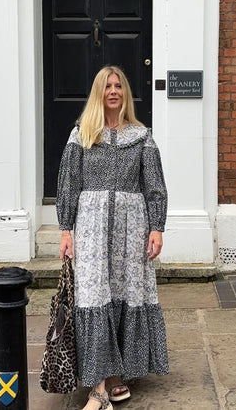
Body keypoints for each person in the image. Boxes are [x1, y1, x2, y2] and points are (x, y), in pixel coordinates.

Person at [56, 65, 168, 410]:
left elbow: (154, 185)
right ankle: (101, 389)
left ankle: (116, 375)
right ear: (98, 93)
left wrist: (157, 227)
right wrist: (65, 229)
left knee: (124, 293)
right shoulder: (82, 133)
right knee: (94, 294)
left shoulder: (141, 136)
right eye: (107, 86)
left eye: (119, 85)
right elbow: (69, 183)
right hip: (91, 227)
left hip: (131, 228)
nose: (114, 91)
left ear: (126, 92)